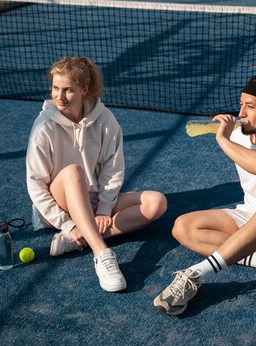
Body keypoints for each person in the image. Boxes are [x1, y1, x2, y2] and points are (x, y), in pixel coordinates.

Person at [153, 75, 256, 316]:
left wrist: (221, 138)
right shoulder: (240, 133)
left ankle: (196, 274)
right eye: (240, 104)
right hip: (251, 216)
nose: (241, 112)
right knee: (182, 227)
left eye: (250, 107)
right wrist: (225, 133)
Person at [26, 56, 167, 293]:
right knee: (73, 172)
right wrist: (68, 224)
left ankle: (76, 240)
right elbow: (35, 185)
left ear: (84, 89)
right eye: (55, 88)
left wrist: (104, 207)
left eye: (68, 90)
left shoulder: (105, 120)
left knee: (157, 203)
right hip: (57, 209)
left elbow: (113, 169)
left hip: (93, 201)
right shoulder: (43, 127)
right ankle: (101, 252)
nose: (60, 97)